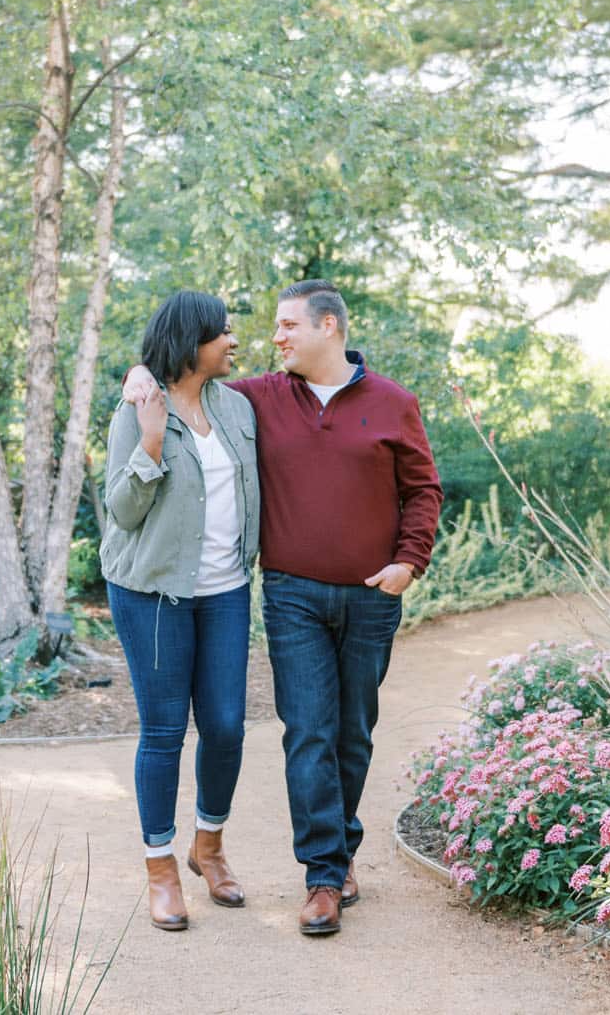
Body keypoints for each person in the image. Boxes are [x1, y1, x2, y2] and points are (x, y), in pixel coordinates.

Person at [126, 278, 441, 937]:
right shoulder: (261, 397)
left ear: (329, 326)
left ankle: (335, 848)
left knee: (350, 732)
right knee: (307, 731)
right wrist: (140, 373)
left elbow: (422, 489)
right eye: (270, 327)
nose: (273, 338)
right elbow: (179, 383)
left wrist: (409, 561)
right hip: (290, 594)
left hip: (368, 596)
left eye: (288, 325)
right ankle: (323, 878)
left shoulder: (391, 403)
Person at [101, 290, 261, 931]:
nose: (233, 342)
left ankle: (209, 847)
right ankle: (160, 869)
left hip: (225, 590)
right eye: (223, 333)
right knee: (165, 731)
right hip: (153, 593)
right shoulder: (138, 411)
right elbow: (122, 511)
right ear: (191, 342)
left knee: (225, 727)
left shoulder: (240, 407)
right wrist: (150, 441)